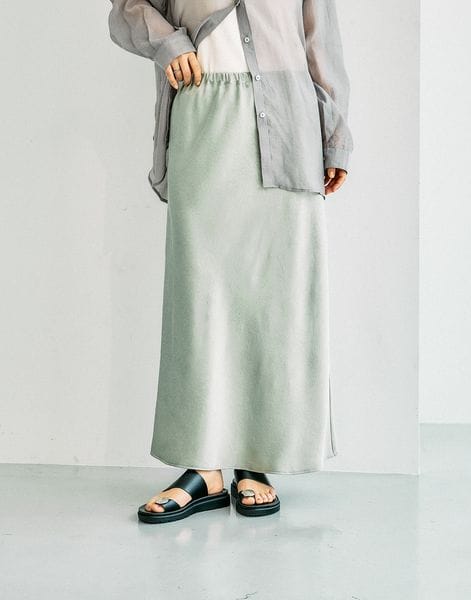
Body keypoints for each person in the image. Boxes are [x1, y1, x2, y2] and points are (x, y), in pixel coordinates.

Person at [107, 0, 353, 523]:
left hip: (289, 117)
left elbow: (321, 39)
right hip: (204, 107)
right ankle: (204, 467)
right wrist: (168, 42)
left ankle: (256, 460)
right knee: (200, 294)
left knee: (276, 299)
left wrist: (334, 136)